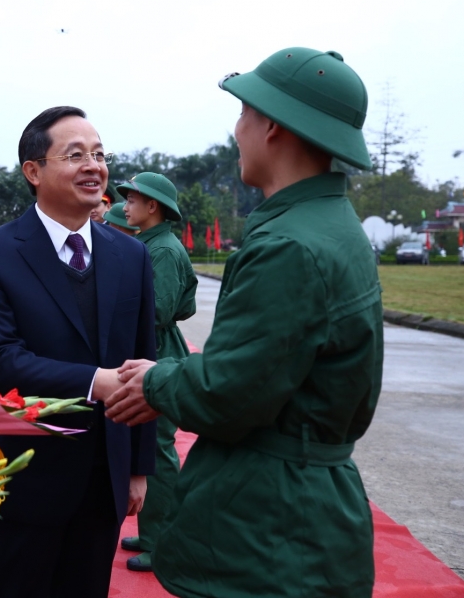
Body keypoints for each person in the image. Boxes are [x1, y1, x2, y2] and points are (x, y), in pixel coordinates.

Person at [106, 48, 384, 598]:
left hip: (272, 525)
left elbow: (232, 392)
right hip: (300, 508)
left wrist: (154, 381)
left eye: (243, 114)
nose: (238, 131)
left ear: (272, 126)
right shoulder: (328, 224)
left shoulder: (288, 245)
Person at [0, 106, 158, 598]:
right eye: (75, 155)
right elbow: (1, 360)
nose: (94, 166)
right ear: (34, 171)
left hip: (102, 483)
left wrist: (137, 468)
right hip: (23, 477)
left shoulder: (131, 255)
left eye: (99, 154)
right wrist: (95, 382)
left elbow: (143, 360)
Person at [116, 172, 197, 573]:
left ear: (153, 207)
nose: (125, 206)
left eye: (132, 200)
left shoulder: (161, 249)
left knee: (159, 451)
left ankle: (163, 542)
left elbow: (161, 310)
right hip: (154, 349)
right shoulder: (151, 243)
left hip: (158, 352)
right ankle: (151, 534)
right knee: (152, 448)